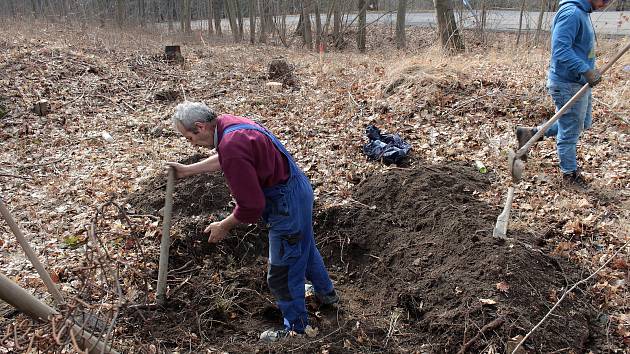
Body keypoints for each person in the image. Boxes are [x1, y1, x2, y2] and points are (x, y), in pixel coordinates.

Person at [167, 101, 339, 342]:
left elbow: (251, 206)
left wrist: (223, 226)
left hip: (285, 205)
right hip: (297, 189)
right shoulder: (228, 125)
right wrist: (187, 170)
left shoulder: (231, 143)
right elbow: (227, 157)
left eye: (189, 138)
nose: (191, 143)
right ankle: (327, 295)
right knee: (304, 248)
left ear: (200, 126)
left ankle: (296, 330)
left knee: (282, 273)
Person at [516, 0, 608, 188]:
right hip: (567, 83)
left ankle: (531, 134)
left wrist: (590, 70)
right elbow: (560, 50)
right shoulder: (571, 13)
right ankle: (569, 175)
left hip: (579, 81)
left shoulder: (583, 12)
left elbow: (579, 49)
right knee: (570, 131)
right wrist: (585, 70)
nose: (606, 3)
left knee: (581, 123)